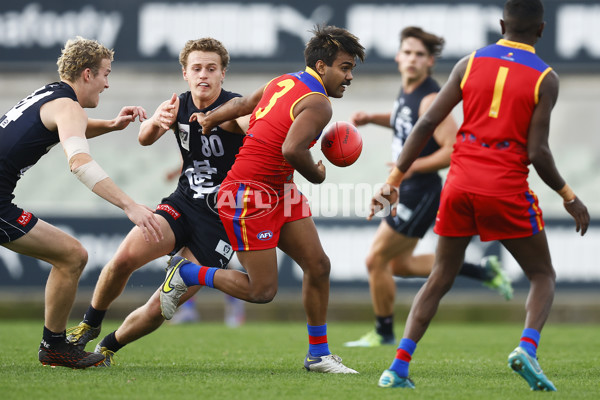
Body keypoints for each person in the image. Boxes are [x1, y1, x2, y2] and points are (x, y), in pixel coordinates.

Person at [370, 0, 590, 390]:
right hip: (503, 186)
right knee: (542, 275)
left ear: (502, 24)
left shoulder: (468, 63)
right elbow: (538, 152)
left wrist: (395, 178)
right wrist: (569, 196)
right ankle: (527, 348)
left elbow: (426, 123)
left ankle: (398, 367)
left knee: (440, 276)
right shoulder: (546, 78)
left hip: (458, 185)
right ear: (541, 30)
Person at [158, 25, 365, 374]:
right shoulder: (318, 103)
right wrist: (318, 174)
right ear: (321, 65)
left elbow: (241, 104)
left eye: (351, 70)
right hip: (248, 195)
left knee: (318, 266)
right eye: (344, 68)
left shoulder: (285, 81)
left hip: (279, 190)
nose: (348, 77)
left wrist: (210, 117)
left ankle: (319, 355)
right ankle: (187, 271)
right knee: (262, 291)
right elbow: (292, 149)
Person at [66, 38, 249, 366]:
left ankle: (106, 348)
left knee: (161, 305)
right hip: (183, 204)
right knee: (123, 260)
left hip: (221, 223)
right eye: (197, 69)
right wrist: (157, 120)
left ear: (223, 74)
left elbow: (254, 126)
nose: (203, 74)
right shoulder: (178, 105)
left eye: (211, 68)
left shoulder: (236, 107)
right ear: (185, 74)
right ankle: (88, 325)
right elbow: (144, 137)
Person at [344, 27, 513, 348]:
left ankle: (382, 333)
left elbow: (451, 149)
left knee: (375, 260)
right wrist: (372, 118)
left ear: (430, 62)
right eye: (407, 52)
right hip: (409, 189)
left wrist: (406, 168)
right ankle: (482, 271)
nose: (412, 59)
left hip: (420, 192)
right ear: (398, 57)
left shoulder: (432, 98)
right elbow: (404, 119)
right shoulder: (408, 91)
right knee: (399, 265)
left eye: (419, 54)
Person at [0, 37, 162, 369]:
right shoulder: (67, 105)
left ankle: (55, 345)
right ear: (87, 74)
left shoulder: (51, 94)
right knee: (72, 255)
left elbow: (70, 128)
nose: (107, 82)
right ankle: (55, 347)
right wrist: (129, 205)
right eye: (105, 73)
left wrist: (114, 125)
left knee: (71, 255)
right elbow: (79, 162)